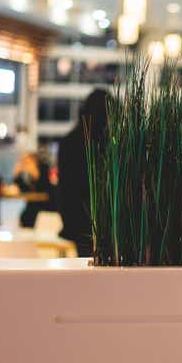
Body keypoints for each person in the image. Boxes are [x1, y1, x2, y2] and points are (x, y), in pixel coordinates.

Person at [57, 89, 110, 258]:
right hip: (106, 226)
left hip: (76, 225)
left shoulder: (68, 142)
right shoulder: (111, 144)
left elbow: (64, 190)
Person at [13, 152, 52, 227]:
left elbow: (43, 187)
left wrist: (34, 173)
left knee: (28, 216)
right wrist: (17, 174)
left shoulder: (43, 168)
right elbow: (23, 189)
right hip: (31, 205)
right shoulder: (26, 174)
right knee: (24, 216)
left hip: (44, 205)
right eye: (23, 161)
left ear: (34, 160)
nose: (24, 164)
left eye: (26, 161)